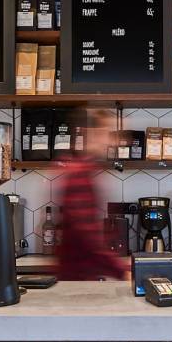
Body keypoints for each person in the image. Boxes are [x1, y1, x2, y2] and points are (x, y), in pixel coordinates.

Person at [54, 108, 127, 281]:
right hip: (76, 278)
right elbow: (87, 235)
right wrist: (121, 270)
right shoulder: (79, 174)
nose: (112, 141)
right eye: (108, 133)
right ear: (91, 134)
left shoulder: (86, 170)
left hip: (82, 275)